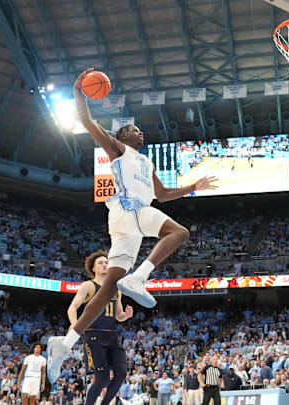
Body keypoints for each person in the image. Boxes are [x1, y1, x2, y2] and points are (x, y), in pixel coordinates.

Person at [46, 68, 219, 383]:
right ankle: (140, 278)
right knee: (179, 232)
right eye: (135, 129)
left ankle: (65, 342)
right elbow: (86, 122)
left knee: (110, 286)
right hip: (131, 210)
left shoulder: (146, 162)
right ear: (124, 137)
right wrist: (77, 92)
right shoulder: (119, 150)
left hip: (129, 224)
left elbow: (163, 194)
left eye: (141, 130)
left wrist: (195, 186)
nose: (141, 133)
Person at [65, 250, 134, 405]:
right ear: (93, 268)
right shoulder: (88, 285)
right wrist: (75, 324)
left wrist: (126, 315)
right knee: (102, 378)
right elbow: (72, 307)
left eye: (106, 262)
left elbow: (118, 316)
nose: (104, 264)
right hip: (94, 336)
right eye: (100, 263)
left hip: (112, 336)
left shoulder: (116, 288)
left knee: (121, 373)